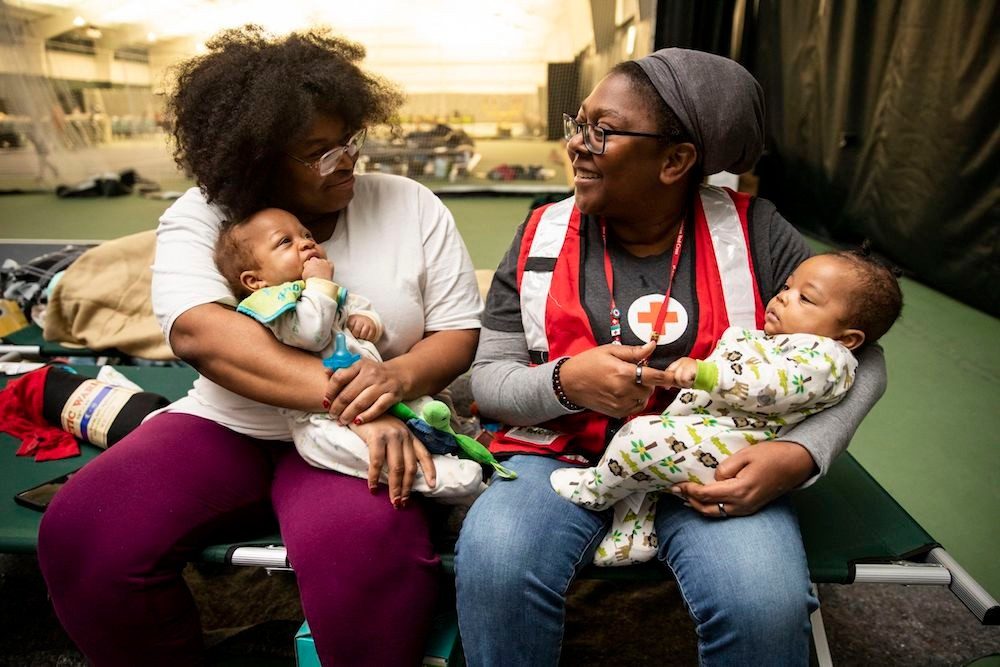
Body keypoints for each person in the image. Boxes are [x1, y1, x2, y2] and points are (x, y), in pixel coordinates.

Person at [37, 25, 482, 666]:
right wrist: (359, 406)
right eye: (317, 152)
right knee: (87, 534)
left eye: (347, 141)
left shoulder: (409, 205)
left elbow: (458, 331)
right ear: (257, 158)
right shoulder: (205, 214)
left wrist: (397, 380)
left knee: (367, 552)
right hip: (232, 426)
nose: (345, 161)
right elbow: (201, 333)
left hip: (358, 439)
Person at [455, 48, 888, 666]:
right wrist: (564, 381)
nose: (577, 144)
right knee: (497, 565)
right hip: (559, 453)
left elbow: (862, 356)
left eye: (602, 131)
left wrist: (799, 454)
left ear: (676, 160)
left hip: (712, 463)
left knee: (762, 602)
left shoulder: (754, 233)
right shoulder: (541, 234)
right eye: (579, 123)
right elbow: (489, 379)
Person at [550, 250, 903, 566]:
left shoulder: (826, 358)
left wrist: (707, 373)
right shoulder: (779, 342)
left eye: (805, 299)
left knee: (638, 438)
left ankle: (595, 491)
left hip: (732, 451)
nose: (782, 298)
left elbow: (773, 387)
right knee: (644, 475)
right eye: (787, 287)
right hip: (706, 436)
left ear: (848, 339)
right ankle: (632, 535)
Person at [213, 207, 484, 500]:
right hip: (320, 418)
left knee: (424, 416)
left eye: (306, 235)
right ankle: (435, 479)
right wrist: (320, 284)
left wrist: (367, 322)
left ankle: (458, 451)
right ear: (255, 281)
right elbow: (311, 333)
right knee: (357, 450)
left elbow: (359, 306)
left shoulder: (325, 291)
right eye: (285, 242)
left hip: (373, 391)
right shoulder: (272, 305)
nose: (305, 243)